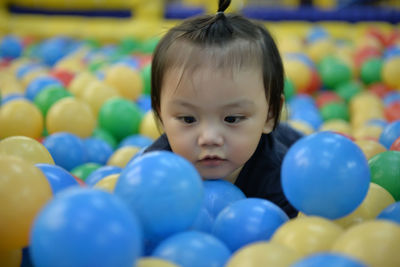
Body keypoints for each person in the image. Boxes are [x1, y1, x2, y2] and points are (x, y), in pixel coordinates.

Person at [144, 0, 303, 218]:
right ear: (161, 115)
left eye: (231, 118)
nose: (209, 138)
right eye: (188, 119)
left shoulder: (285, 179)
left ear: (270, 114)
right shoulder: (154, 173)